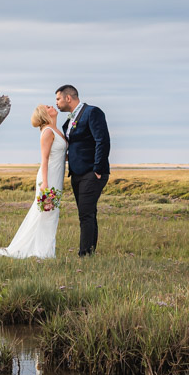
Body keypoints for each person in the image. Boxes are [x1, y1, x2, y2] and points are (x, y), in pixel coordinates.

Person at [0, 104, 67, 259]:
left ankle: (45, 249)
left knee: (51, 213)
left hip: (56, 176)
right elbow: (44, 159)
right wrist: (45, 183)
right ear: (44, 114)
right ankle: (43, 252)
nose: (52, 106)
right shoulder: (47, 132)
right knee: (46, 213)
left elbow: (60, 154)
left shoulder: (57, 131)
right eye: (48, 107)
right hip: (48, 177)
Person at [54, 85, 109, 257]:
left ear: (68, 98)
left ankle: (84, 254)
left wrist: (98, 169)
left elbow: (103, 141)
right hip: (77, 174)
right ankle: (90, 251)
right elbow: (78, 145)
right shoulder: (69, 121)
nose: (56, 103)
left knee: (85, 214)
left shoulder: (92, 112)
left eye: (58, 99)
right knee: (88, 213)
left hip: (92, 173)